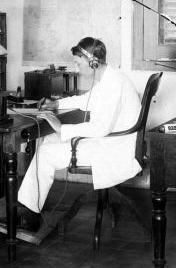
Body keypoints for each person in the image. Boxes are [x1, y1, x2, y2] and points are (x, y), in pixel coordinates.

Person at [10, 37, 142, 232]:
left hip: (113, 149)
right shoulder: (111, 78)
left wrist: (62, 128)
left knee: (46, 153)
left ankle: (29, 217)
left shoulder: (113, 84)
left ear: (93, 61)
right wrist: (57, 104)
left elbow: (101, 128)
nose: (77, 68)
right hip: (112, 142)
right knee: (48, 140)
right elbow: (87, 99)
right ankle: (30, 207)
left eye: (78, 63)